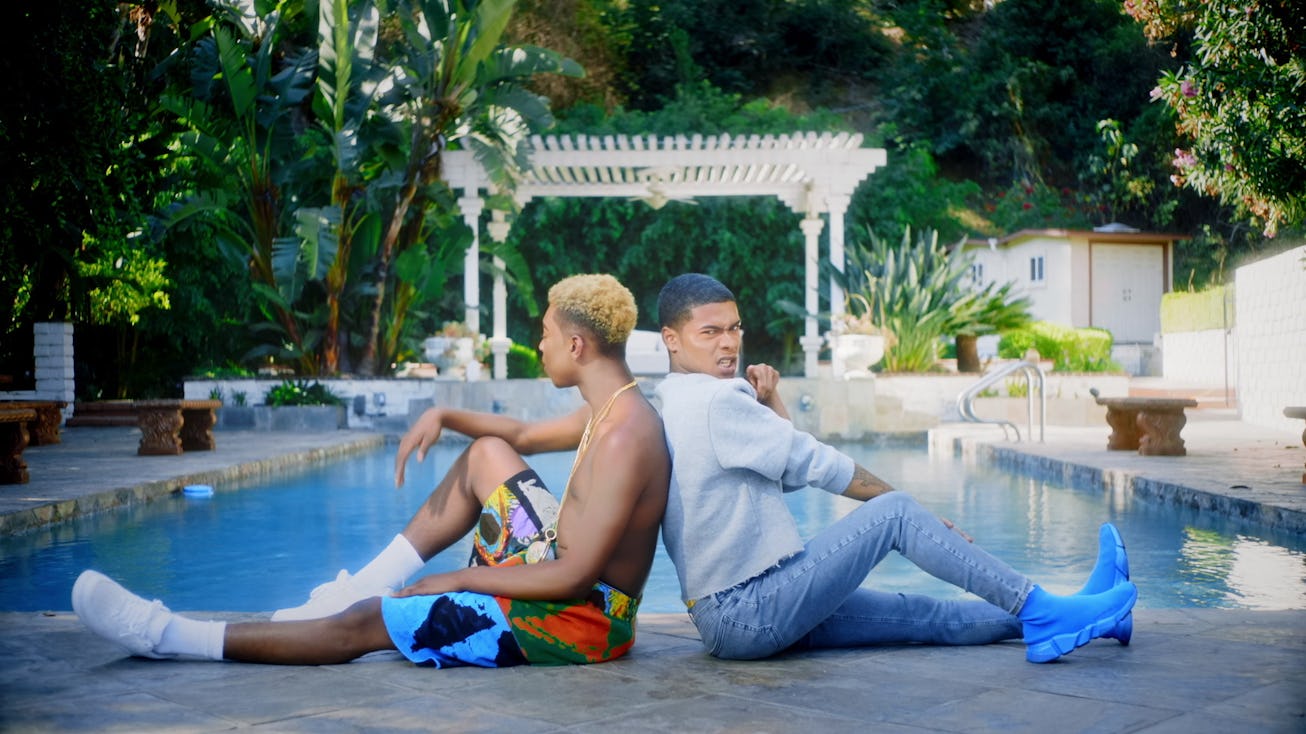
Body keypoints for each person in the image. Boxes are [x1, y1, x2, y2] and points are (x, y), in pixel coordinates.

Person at [72, 273, 671, 668]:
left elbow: (574, 578)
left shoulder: (625, 436)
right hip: (560, 572)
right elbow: (519, 437)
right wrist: (441, 411)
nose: (537, 346)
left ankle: (170, 637)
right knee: (486, 452)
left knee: (366, 624)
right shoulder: (609, 405)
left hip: (578, 622)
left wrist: (458, 581)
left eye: (544, 335)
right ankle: (365, 580)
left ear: (576, 346)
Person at [653, 273, 1135, 664]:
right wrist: (917, 515)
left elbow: (785, 470)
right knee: (897, 512)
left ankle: (1078, 615)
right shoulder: (717, 398)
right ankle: (1040, 608)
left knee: (925, 616)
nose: (729, 343)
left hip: (738, 616)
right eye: (710, 332)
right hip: (751, 608)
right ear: (672, 340)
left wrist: (771, 397)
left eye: (735, 328)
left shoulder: (675, 398)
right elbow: (813, 463)